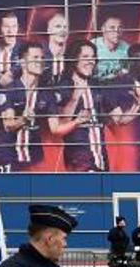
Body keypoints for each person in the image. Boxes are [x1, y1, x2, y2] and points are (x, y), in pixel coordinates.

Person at [50, 40, 127, 173]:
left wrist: (135, 104)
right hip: (79, 160)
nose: (91, 61)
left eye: (93, 57)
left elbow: (117, 118)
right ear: (74, 60)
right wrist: (75, 97)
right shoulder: (64, 86)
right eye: (85, 57)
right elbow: (61, 124)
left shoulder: (96, 85)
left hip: (101, 158)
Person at [0, 43, 53, 173]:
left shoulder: (46, 93)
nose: (40, 62)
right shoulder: (9, 90)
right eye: (35, 57)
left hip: (35, 156)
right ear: (22, 62)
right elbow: (8, 125)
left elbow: (55, 127)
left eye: (42, 58)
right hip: (9, 155)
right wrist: (23, 119)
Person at [0, 11, 24, 88]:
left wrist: (10, 74)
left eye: (14, 26)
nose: (10, 31)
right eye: (6, 26)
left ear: (18, 28)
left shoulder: (24, 49)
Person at [90, 15, 129, 80]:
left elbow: (128, 71)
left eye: (120, 27)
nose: (116, 31)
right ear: (103, 29)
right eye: (112, 27)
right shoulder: (91, 46)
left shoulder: (126, 48)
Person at [43, 12, 70, 88]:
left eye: (65, 27)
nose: (62, 30)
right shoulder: (39, 53)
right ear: (48, 30)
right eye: (58, 26)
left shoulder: (72, 54)